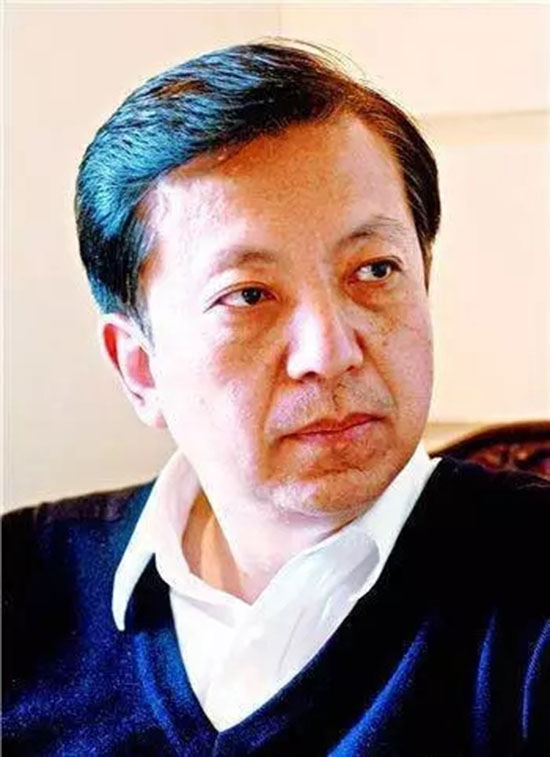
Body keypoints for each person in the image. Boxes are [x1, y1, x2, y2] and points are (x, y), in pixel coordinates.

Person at [3, 40, 549, 756]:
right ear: (140, 368)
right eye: (249, 295)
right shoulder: (21, 583)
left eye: (375, 270)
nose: (331, 351)